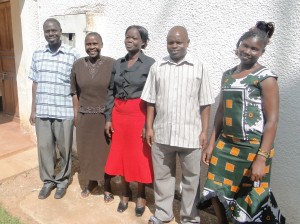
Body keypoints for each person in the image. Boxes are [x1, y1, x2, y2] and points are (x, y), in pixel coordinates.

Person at [198, 21, 285, 223]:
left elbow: (272, 121)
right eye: (245, 45)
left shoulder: (266, 78)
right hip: (225, 146)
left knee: (248, 199)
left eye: (254, 48)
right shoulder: (228, 75)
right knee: (215, 192)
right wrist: (211, 144)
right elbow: (221, 111)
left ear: (262, 52)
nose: (248, 51)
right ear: (238, 45)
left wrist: (261, 158)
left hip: (253, 150)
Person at [141, 26, 215, 224]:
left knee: (191, 180)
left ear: (187, 43)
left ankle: (190, 218)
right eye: (170, 42)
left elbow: (205, 102)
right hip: (162, 134)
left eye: (178, 42)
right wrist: (149, 127)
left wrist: (204, 131)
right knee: (163, 177)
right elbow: (150, 100)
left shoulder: (198, 67)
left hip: (190, 135)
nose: (174, 46)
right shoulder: (158, 67)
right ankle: (163, 214)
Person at [104, 25, 155, 216]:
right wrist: (108, 118)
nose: (129, 40)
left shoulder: (150, 64)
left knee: (140, 157)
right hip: (119, 114)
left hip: (139, 114)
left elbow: (154, 96)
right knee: (121, 155)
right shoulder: (118, 64)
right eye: (127, 37)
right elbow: (111, 91)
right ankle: (125, 191)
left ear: (143, 42)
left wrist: (148, 124)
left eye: (134, 38)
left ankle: (141, 193)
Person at [29, 18, 80, 199]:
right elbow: (35, 83)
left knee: (65, 149)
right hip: (43, 110)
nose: (51, 34)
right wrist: (33, 109)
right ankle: (48, 181)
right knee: (44, 148)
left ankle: (62, 181)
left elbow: (77, 85)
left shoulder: (73, 54)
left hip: (63, 111)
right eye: (47, 31)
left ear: (60, 30)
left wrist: (76, 111)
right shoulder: (37, 54)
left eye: (54, 30)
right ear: (44, 33)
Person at [70, 32, 115, 202]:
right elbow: (74, 91)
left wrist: (111, 117)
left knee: (105, 152)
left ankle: (108, 186)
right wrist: (76, 114)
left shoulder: (112, 64)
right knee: (87, 151)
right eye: (88, 44)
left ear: (101, 44)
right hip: (84, 117)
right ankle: (92, 182)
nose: (92, 47)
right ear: (84, 46)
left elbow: (114, 91)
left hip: (104, 118)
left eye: (95, 43)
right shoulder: (78, 65)